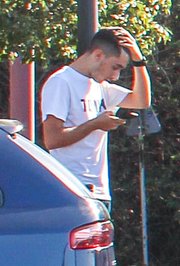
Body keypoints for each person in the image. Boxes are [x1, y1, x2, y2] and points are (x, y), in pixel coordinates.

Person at [37, 28, 151, 203]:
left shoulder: (100, 86)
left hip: (99, 191)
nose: (115, 76)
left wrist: (139, 61)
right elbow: (52, 140)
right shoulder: (61, 81)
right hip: (72, 189)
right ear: (98, 55)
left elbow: (142, 101)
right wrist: (95, 124)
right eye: (115, 67)